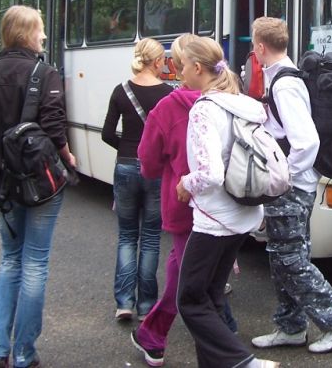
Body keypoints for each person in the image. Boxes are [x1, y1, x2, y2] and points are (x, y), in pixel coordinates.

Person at [0, 5, 76, 368]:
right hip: (41, 184)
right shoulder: (45, 74)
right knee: (35, 263)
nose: (44, 35)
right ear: (27, 33)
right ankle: (25, 354)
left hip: (0, 185)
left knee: (10, 260)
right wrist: (68, 156)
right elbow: (55, 128)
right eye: (40, 29)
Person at [250, 17, 332, 354]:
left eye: (253, 45)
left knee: (290, 259)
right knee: (282, 257)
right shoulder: (283, 77)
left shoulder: (284, 85)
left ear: (260, 47)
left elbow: (307, 142)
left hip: (291, 187)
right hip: (293, 185)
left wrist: (284, 176)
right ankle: (291, 327)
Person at [174, 37, 276, 368]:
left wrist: (185, 183)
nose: (180, 72)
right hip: (244, 214)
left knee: (190, 299)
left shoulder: (204, 110)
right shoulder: (241, 103)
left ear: (197, 68)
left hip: (214, 218)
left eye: (183, 66)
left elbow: (211, 174)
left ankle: (244, 362)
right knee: (212, 295)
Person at [127, 34, 199, 367]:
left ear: (177, 66)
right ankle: (152, 334)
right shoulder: (227, 97)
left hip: (183, 203)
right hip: (224, 205)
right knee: (183, 268)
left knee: (193, 280)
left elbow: (149, 162)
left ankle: (224, 344)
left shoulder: (169, 108)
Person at [102, 38, 173, 321]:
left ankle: (124, 303)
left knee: (127, 236)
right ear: (156, 62)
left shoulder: (121, 91)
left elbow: (107, 134)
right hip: (155, 170)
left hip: (125, 167)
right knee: (152, 239)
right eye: (163, 59)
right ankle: (146, 306)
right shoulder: (167, 94)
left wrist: (128, 150)